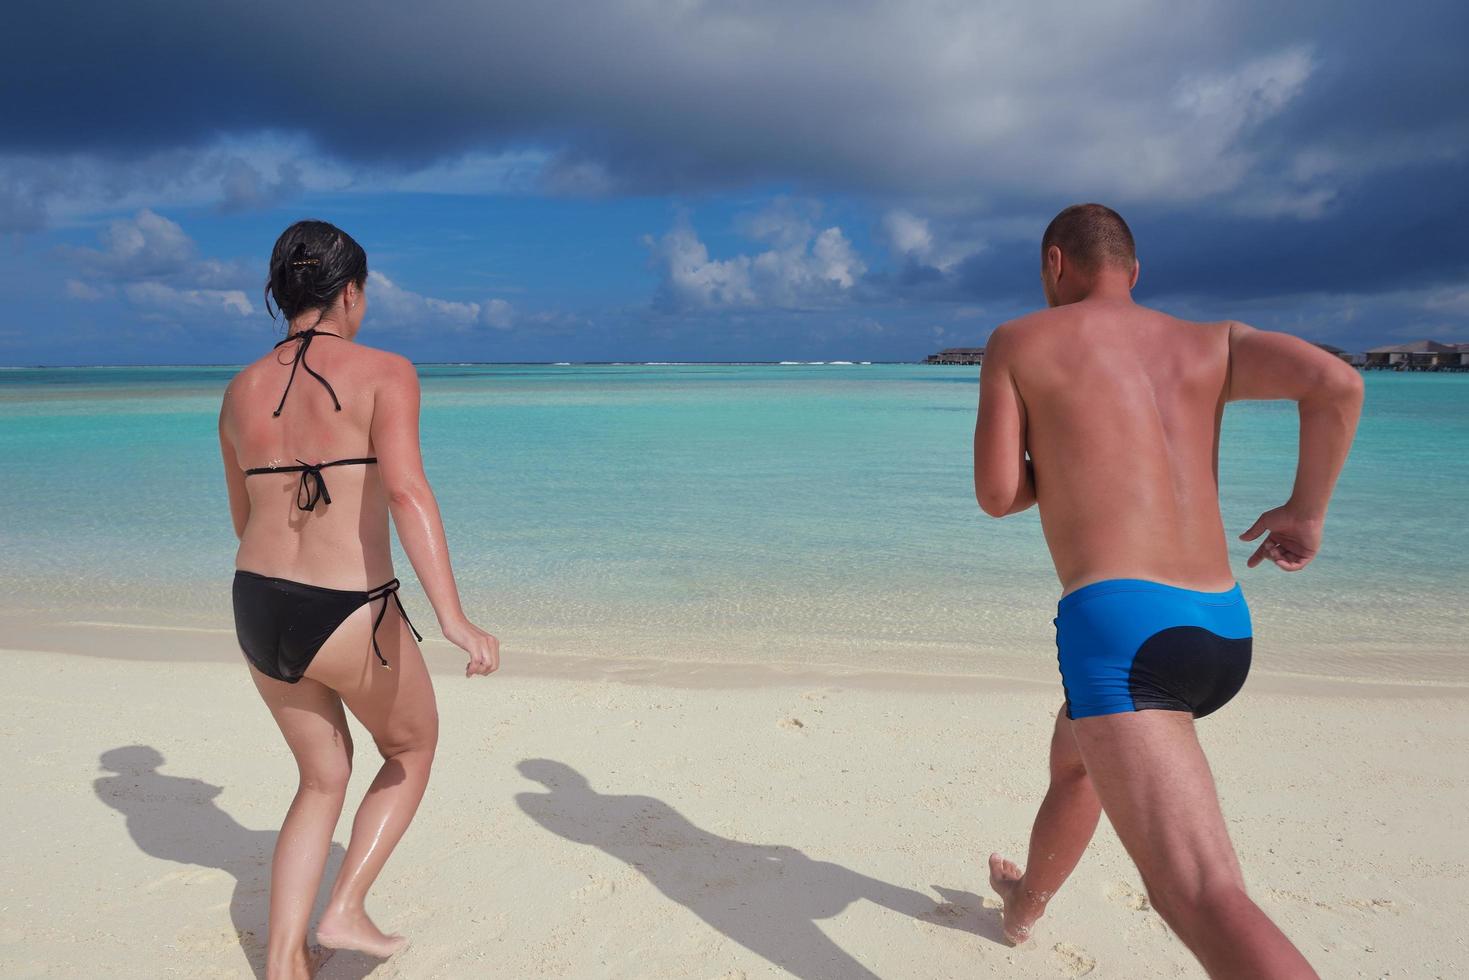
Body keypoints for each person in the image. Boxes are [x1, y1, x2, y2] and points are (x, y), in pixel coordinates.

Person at [973, 204, 1362, 978]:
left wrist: (1067, 458)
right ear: (1134, 271)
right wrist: (1303, 513)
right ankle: (1025, 905)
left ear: (1054, 263)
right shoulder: (1212, 344)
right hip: (1219, 626)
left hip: (1123, 634)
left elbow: (996, 492)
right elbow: (1336, 383)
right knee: (1077, 752)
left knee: (1201, 894)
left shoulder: (1018, 340)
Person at [219, 220, 501, 980]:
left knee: (320, 777)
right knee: (410, 749)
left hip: (257, 604)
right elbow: (407, 491)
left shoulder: (240, 389)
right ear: (351, 292)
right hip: (345, 608)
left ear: (281, 295)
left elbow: (244, 519)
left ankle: (283, 962)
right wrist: (452, 617)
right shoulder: (386, 371)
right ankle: (343, 907)